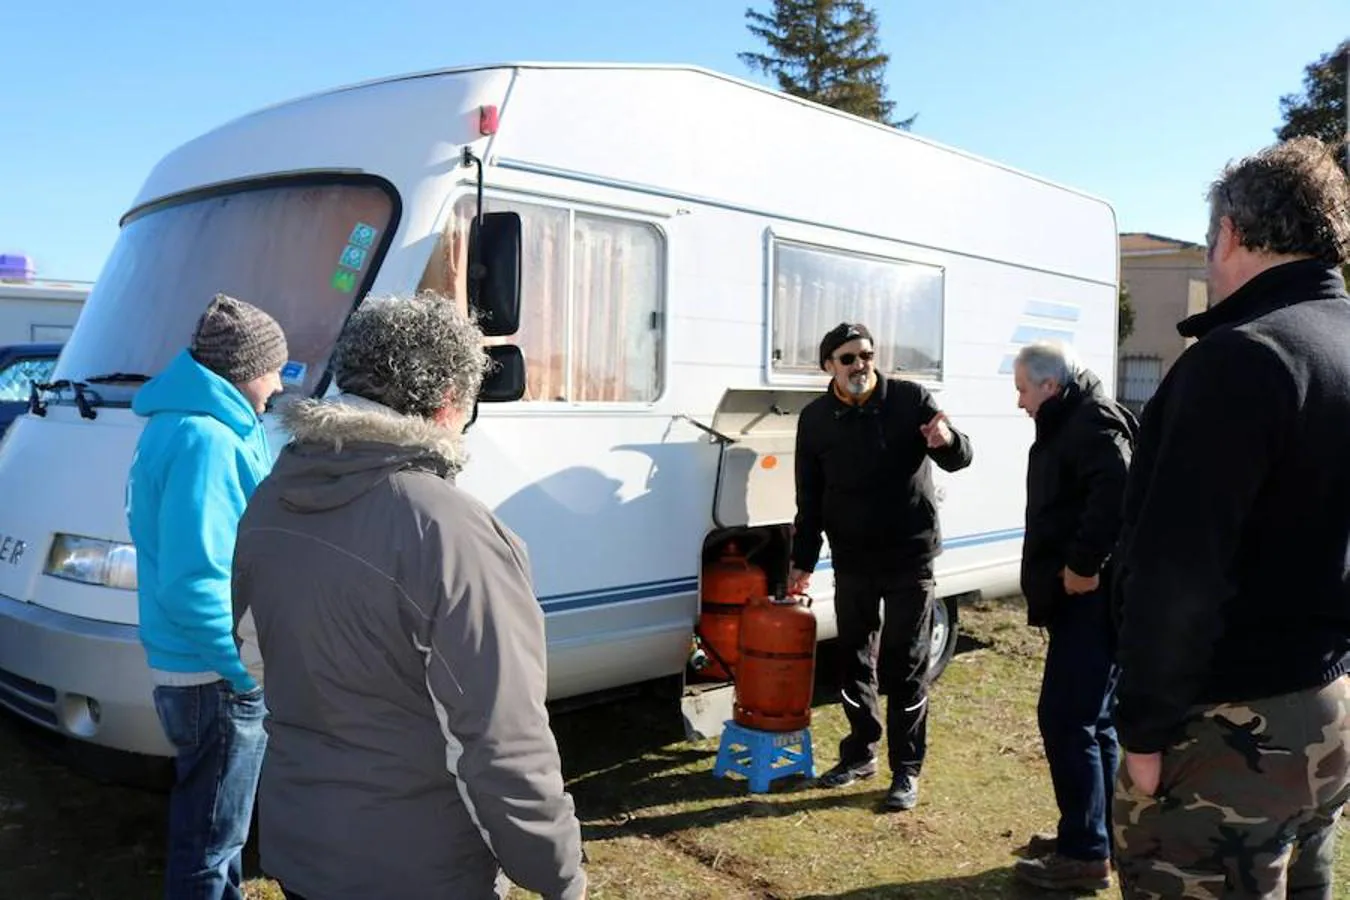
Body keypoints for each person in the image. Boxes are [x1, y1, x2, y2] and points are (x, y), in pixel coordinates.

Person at [232, 292, 587, 900]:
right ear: (448, 404)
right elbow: (502, 739)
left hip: (304, 844)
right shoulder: (451, 529)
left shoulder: (271, 497)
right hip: (420, 866)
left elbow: (255, 658)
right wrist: (557, 872)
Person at [1112, 136, 1350, 898]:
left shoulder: (1242, 357)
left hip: (1230, 728)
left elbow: (1176, 569)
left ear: (1232, 235)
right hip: (1329, 708)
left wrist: (1144, 732)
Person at [126, 292, 289, 900]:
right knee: (212, 842)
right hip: (213, 675)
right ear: (246, 369)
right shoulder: (208, 439)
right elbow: (195, 579)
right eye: (276, 366)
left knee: (211, 833)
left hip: (194, 669)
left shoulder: (181, 424)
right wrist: (241, 669)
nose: (279, 382)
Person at [789, 322, 973, 812]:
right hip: (851, 558)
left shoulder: (911, 399)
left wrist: (947, 439)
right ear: (828, 365)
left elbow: (961, 456)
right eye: (847, 358)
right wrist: (801, 562)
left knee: (905, 663)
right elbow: (808, 498)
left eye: (866, 355)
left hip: (909, 556)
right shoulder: (815, 420)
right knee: (851, 660)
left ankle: (906, 770)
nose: (860, 365)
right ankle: (859, 752)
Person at [1008, 341, 1135, 892]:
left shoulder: (1092, 422)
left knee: (1066, 719)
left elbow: (1117, 489)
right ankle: (1097, 835)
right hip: (1080, 602)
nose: (1019, 403)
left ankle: (1085, 854)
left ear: (1050, 386)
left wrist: (1083, 564)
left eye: (1022, 390)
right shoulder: (1071, 419)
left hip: (1091, 601)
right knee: (1094, 721)